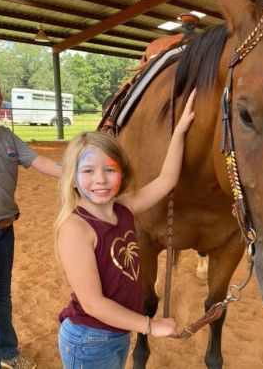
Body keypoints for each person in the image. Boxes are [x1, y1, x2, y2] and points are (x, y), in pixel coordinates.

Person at [55, 89, 196, 369]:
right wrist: (150, 326)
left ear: (122, 173)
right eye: (88, 171)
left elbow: (166, 180)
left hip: (116, 333)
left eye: (110, 169)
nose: (101, 180)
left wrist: (179, 132)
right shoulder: (76, 228)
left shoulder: (123, 207)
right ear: (72, 179)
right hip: (89, 339)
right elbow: (94, 304)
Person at [0, 72, 62, 369]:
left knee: (1, 295)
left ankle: (8, 352)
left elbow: (40, 161)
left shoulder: (7, 137)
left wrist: (79, 171)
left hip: (4, 230)